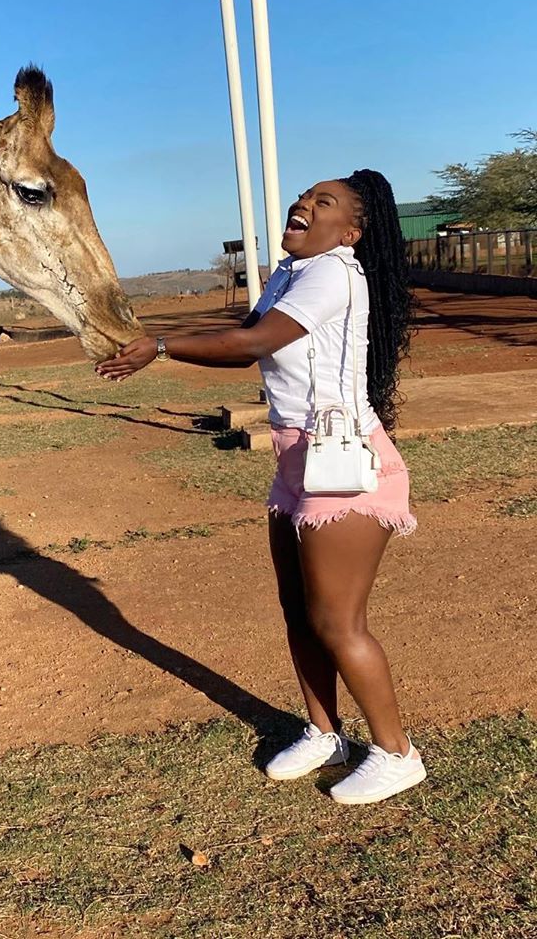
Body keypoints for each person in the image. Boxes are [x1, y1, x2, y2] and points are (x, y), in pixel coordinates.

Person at [96, 169, 424, 805]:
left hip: (346, 466)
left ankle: (396, 753)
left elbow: (256, 340)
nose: (303, 204)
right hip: (298, 459)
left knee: (337, 620)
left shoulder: (334, 271)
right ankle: (326, 733)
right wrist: (156, 340)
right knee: (298, 608)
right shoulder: (291, 272)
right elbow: (245, 349)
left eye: (322, 202)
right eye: (305, 196)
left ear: (351, 231)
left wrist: (159, 346)